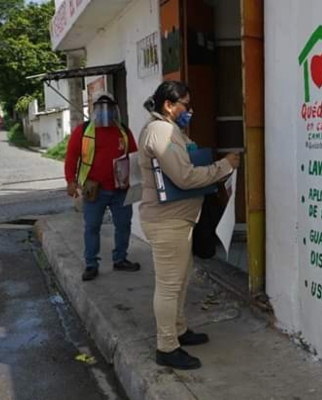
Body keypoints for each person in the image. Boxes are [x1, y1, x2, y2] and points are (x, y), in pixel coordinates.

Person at [138, 81, 240, 370]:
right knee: (169, 286)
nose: (190, 110)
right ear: (169, 106)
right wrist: (225, 166)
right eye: (185, 104)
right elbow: (184, 177)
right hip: (167, 221)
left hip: (178, 219)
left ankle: (179, 330)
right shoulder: (162, 131)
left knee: (180, 280)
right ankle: (166, 346)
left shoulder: (170, 130)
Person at [64, 92, 142, 281]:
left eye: (109, 108)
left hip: (120, 190)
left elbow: (133, 156)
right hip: (95, 190)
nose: (105, 112)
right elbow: (72, 156)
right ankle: (91, 265)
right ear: (94, 110)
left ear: (115, 110)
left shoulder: (123, 130)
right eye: (100, 108)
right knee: (92, 227)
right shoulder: (83, 132)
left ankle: (120, 259)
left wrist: (136, 182)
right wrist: (71, 181)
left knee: (123, 226)